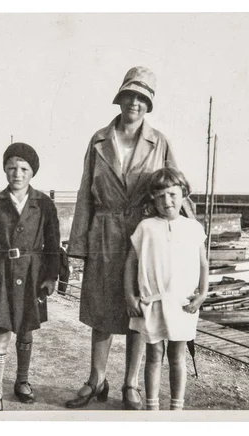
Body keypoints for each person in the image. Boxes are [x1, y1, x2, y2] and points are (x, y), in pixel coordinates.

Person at [65, 66, 195, 410]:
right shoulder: (98, 140)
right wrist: (76, 248)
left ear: (148, 104)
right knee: (100, 311)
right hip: (104, 233)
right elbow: (83, 195)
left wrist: (193, 240)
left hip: (145, 238)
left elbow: (176, 187)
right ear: (120, 98)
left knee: (140, 310)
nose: (134, 103)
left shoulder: (160, 141)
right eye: (130, 96)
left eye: (142, 98)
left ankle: (131, 384)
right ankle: (96, 380)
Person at [0, 142, 60, 411]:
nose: (17, 174)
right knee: (1, 332)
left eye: (23, 168)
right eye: (11, 168)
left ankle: (22, 381)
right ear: (5, 170)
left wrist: (51, 276)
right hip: (2, 274)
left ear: (32, 172)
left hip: (33, 275)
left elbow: (53, 244)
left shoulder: (44, 204)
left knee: (25, 330)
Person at [124, 166, 208, 411]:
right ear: (153, 198)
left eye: (172, 194)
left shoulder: (193, 228)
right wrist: (130, 297)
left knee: (177, 357)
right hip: (152, 302)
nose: (167, 201)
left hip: (183, 304)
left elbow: (203, 263)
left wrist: (202, 294)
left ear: (183, 194)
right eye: (160, 196)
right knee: (153, 355)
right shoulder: (146, 227)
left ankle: (176, 409)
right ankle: (152, 408)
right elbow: (131, 263)